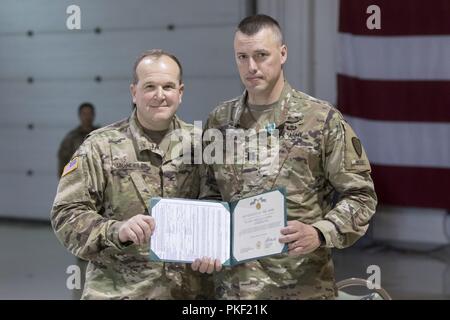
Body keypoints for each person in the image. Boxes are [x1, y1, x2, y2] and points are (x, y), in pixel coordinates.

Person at [197, 14, 377, 299]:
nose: (251, 67)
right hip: (233, 291)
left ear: (283, 54)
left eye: (261, 55)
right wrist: (205, 241)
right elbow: (208, 196)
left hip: (299, 286)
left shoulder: (320, 120)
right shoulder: (219, 121)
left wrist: (319, 232)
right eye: (242, 57)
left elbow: (361, 196)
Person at [51, 49, 206, 299]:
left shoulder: (203, 146)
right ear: (134, 92)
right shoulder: (100, 146)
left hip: (189, 295)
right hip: (120, 292)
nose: (159, 95)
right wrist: (116, 230)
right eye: (149, 86)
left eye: (168, 86)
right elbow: (65, 215)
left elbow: (222, 207)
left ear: (181, 92)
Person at [57, 103, 99, 177]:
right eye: (84, 114)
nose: (87, 117)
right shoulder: (71, 138)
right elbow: (63, 159)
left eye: (89, 114)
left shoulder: (101, 135)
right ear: (79, 116)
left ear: (93, 115)